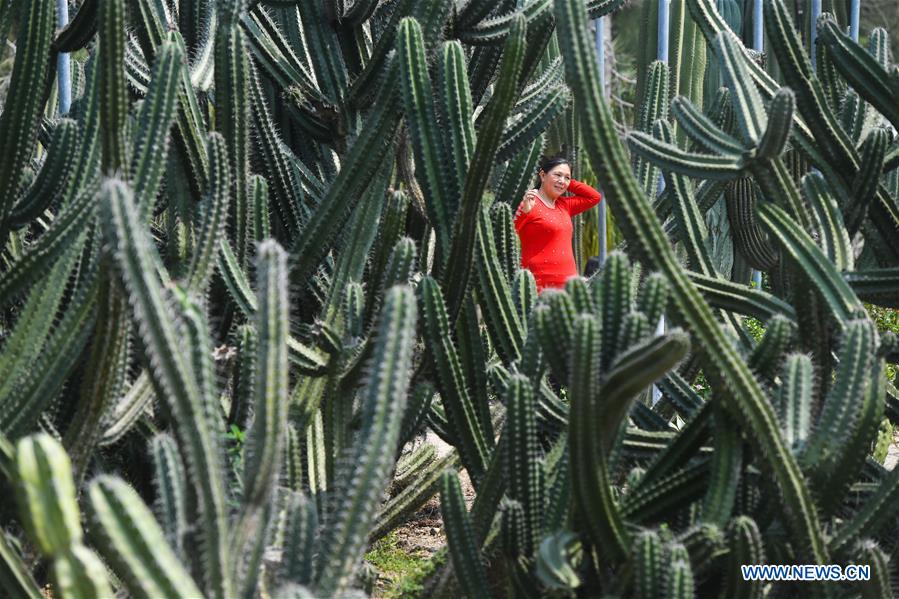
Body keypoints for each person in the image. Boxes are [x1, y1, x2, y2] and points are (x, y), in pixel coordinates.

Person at [514, 154, 602, 292]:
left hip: (568, 283)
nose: (562, 181)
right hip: (537, 283)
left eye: (567, 177)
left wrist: (566, 182)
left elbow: (594, 197)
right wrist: (525, 212)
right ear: (542, 175)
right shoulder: (529, 203)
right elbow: (510, 233)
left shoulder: (565, 205)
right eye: (557, 175)